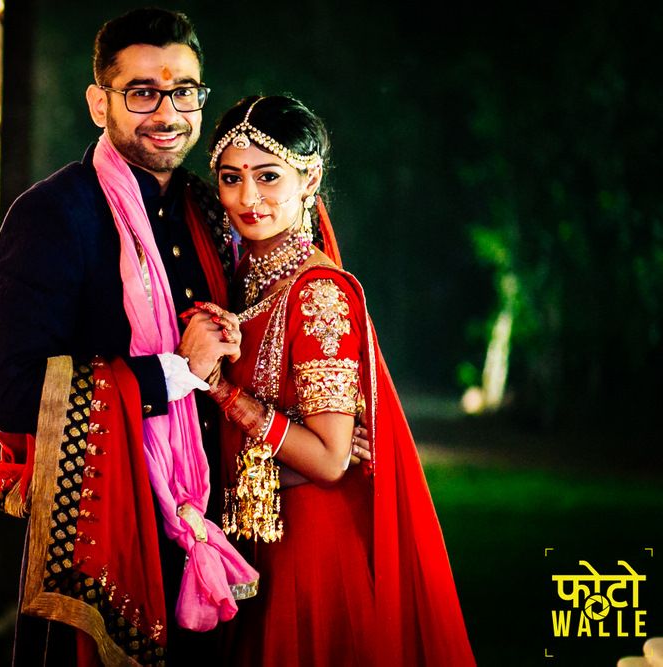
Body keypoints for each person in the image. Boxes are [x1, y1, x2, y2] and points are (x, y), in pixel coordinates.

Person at [0, 10, 365, 666]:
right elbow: (12, 394)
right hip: (101, 543)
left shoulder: (210, 208)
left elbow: (258, 343)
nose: (167, 112)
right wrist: (171, 372)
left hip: (214, 542)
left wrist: (319, 427)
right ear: (99, 102)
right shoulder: (55, 214)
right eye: (142, 92)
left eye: (183, 91)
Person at [184, 95, 476, 666]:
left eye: (269, 176)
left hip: (312, 550)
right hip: (260, 543)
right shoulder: (240, 283)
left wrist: (221, 391)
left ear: (310, 179)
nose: (248, 198)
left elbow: (328, 458)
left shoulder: (318, 292)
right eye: (231, 178)